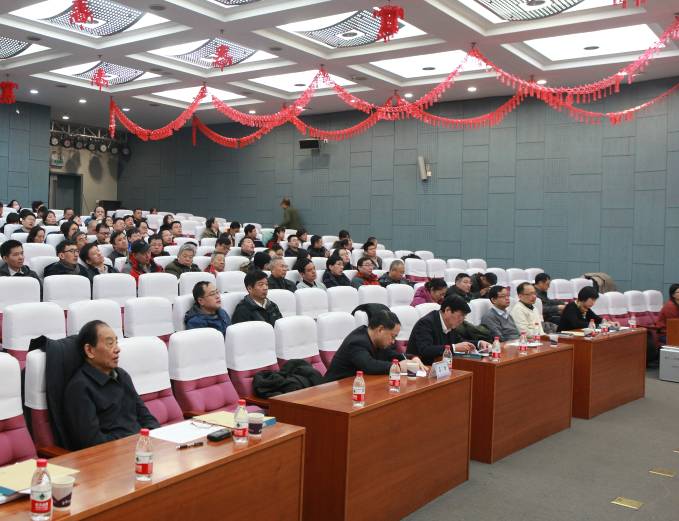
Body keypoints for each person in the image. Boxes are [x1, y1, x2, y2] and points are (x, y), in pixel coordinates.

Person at [63, 320, 160, 450]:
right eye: (110, 343)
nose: (117, 349)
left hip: (140, 448)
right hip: (112, 455)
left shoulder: (122, 375)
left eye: (116, 342)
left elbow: (146, 417)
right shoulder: (79, 388)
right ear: (89, 350)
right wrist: (132, 444)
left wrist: (155, 439)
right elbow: (92, 442)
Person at [324, 310, 426, 383]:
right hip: (334, 389)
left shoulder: (376, 340)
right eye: (393, 336)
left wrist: (412, 357)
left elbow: (392, 354)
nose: (393, 341)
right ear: (380, 329)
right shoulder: (357, 341)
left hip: (356, 385)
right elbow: (369, 365)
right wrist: (398, 366)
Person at [407, 296, 493, 365]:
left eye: (464, 317)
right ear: (447, 310)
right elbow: (426, 350)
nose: (462, 320)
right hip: (422, 368)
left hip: (442, 366)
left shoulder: (450, 323)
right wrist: (454, 348)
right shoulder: (426, 323)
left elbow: (459, 342)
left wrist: (478, 343)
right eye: (460, 315)